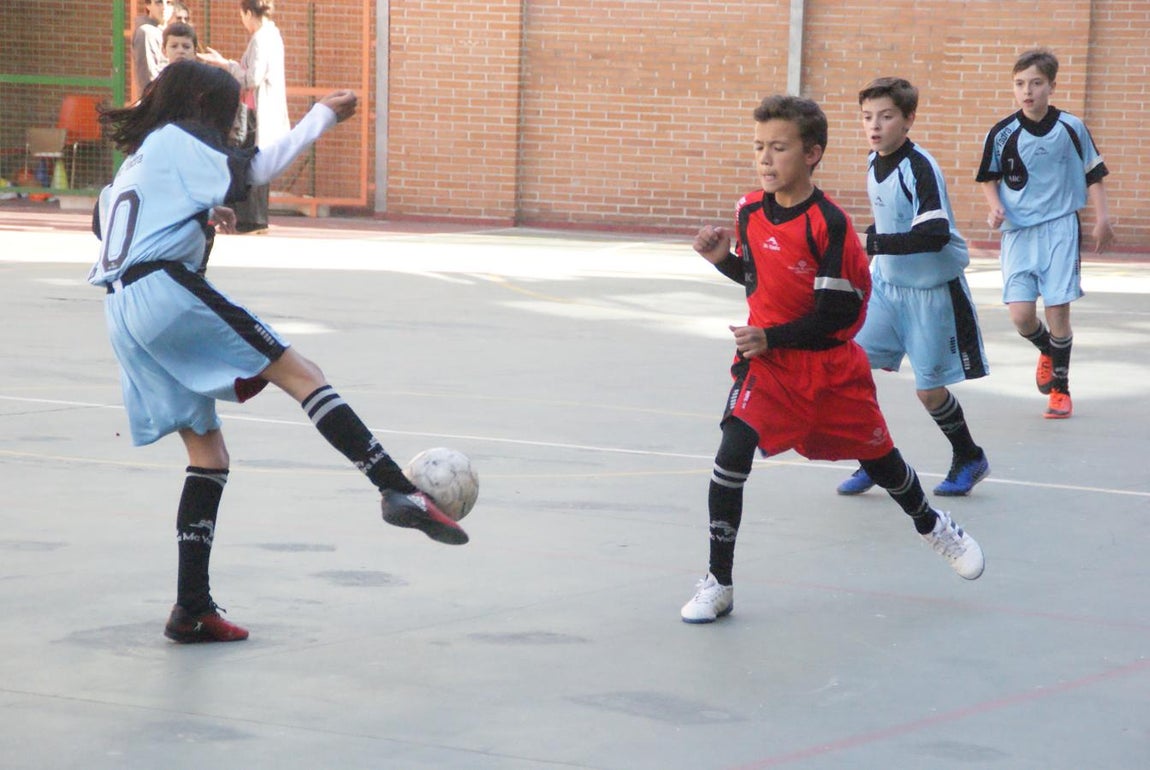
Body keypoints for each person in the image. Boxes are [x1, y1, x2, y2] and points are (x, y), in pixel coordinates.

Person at [88, 61, 468, 645]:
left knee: (208, 455)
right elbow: (258, 168)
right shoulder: (178, 138)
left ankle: (191, 608)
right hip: (166, 290)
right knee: (302, 374)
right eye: (227, 109)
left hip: (121, 309)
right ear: (201, 105)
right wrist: (323, 116)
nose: (231, 122)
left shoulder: (135, 162)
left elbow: (108, 223)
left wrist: (196, 211)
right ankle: (397, 487)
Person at [680, 94, 985, 624]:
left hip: (828, 368)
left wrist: (770, 337)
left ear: (813, 153)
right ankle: (719, 581)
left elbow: (833, 316)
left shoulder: (831, 226)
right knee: (731, 455)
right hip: (769, 368)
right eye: (759, 148)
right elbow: (759, 281)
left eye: (779, 148)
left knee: (882, 461)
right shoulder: (749, 210)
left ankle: (932, 524)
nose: (766, 159)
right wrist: (722, 261)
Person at [835, 77, 990, 499]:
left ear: (908, 120)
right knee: (849, 367)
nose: (875, 125)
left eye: (886, 116)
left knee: (929, 391)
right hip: (888, 286)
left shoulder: (919, 167)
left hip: (932, 291)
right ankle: (875, 458)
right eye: (868, 117)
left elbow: (934, 233)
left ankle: (970, 456)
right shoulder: (873, 161)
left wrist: (876, 242)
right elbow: (887, 228)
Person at [976, 48, 1115, 419]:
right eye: (1020, 83)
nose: (1028, 90)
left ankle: (1060, 389)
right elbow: (988, 178)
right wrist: (994, 207)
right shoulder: (1002, 133)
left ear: (1051, 86)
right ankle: (1047, 350)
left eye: (1036, 83)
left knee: (1057, 309)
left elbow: (1094, 174)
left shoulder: (1071, 127)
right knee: (1021, 315)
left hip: (1060, 228)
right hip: (1019, 232)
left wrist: (1102, 219)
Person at [199, 0, 290, 234]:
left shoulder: (261, 38)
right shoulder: (273, 34)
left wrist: (228, 66)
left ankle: (251, 219)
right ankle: (253, 219)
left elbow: (252, 78)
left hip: (255, 113)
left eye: (242, 15)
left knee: (246, 162)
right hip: (259, 111)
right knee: (254, 161)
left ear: (249, 13)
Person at [132, 0, 175, 95]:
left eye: (169, 2)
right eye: (159, 2)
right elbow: (148, 77)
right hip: (158, 101)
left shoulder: (167, 32)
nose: (164, 8)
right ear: (148, 5)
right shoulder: (147, 32)